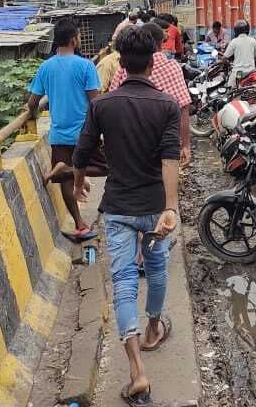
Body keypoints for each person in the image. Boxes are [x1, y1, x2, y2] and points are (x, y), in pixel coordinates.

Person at [72, 25, 182, 407]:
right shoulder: (166, 106)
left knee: (122, 283)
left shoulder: (102, 105)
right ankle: (153, 328)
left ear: (120, 63)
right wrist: (170, 206)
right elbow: (170, 159)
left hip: (118, 207)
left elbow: (82, 150)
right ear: (153, 62)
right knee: (156, 270)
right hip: (154, 208)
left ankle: (137, 372)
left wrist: (78, 183)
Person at [27, 18, 102, 241]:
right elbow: (95, 102)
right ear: (73, 40)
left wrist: (33, 116)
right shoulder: (85, 66)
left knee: (66, 183)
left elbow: (33, 102)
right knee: (106, 166)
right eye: (78, 36)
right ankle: (67, 170)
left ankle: (80, 224)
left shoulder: (45, 67)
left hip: (59, 133)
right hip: (84, 133)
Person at [108, 22, 192, 164]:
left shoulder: (125, 67)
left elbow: (112, 100)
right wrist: (185, 146)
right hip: (165, 144)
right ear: (161, 42)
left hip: (131, 141)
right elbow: (184, 108)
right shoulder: (172, 66)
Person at [224, 19, 256, 86]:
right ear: (248, 29)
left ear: (236, 30)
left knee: (229, 89)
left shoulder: (234, 42)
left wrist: (226, 63)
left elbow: (224, 58)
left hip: (238, 73)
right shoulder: (253, 41)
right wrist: (252, 58)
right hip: (251, 72)